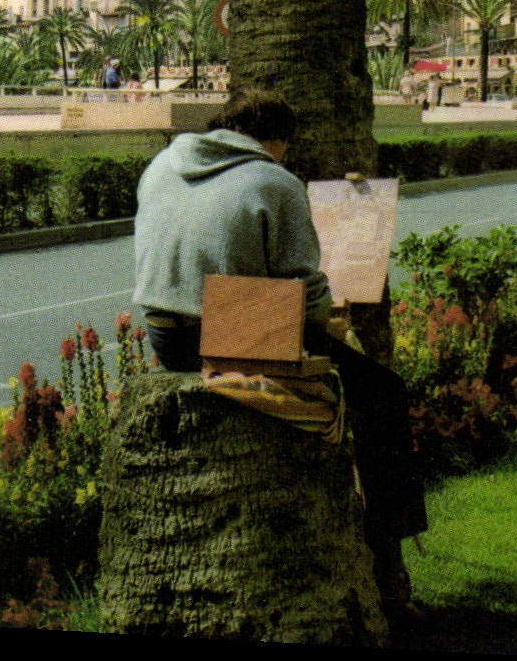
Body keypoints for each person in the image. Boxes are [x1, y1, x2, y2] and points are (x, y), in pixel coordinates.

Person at [132, 89, 426, 614]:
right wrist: (321, 318)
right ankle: (391, 550)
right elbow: (307, 296)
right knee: (382, 393)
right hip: (233, 330)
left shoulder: (161, 165)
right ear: (277, 139)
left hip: (165, 336)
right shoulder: (274, 180)